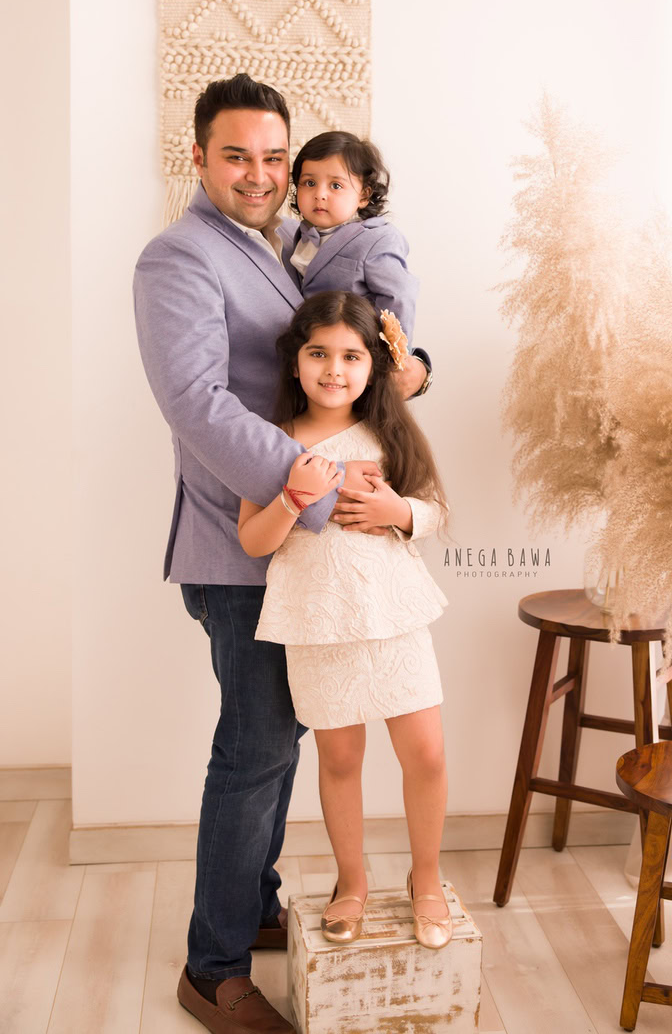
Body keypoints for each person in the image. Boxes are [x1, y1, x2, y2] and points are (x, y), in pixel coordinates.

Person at [133, 74, 431, 1034]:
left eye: (274, 157)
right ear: (199, 158)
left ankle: (253, 901)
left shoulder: (275, 248)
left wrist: (408, 364)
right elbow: (197, 404)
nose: (260, 174)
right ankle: (211, 967)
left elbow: (341, 342)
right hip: (239, 541)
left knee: (280, 738)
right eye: (237, 155)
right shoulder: (179, 255)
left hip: (295, 551)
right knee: (255, 747)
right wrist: (320, 483)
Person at [238, 291, 453, 953]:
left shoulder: (388, 432)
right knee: (339, 756)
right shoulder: (269, 441)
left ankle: (427, 878)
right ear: (296, 361)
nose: (335, 369)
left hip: (392, 614)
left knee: (426, 752)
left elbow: (436, 508)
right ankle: (351, 879)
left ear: (374, 363)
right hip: (317, 618)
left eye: (352, 355)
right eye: (319, 353)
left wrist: (398, 510)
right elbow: (253, 539)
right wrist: (297, 495)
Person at [280, 131, 421, 346]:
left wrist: (395, 359)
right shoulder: (295, 234)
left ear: (364, 196)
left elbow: (398, 296)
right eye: (309, 183)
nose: (320, 194)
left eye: (336, 185)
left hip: (360, 351)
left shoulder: (377, 239)